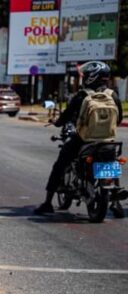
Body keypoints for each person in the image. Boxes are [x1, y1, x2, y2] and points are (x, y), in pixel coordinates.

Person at [34, 61, 123, 216]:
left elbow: (66, 116)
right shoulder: (113, 95)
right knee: (111, 162)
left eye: (86, 75)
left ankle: (48, 202)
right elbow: (119, 118)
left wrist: (57, 122)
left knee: (60, 164)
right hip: (108, 140)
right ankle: (116, 203)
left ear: (91, 77)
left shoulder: (82, 96)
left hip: (84, 140)